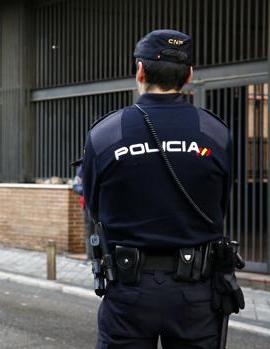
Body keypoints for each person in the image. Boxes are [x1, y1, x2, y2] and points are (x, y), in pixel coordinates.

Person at [82, 30, 244, 348]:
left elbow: (93, 205)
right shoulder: (216, 133)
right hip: (196, 294)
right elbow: (222, 201)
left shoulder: (105, 133)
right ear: (190, 75)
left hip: (128, 290)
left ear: (140, 71)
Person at [72, 164, 93, 260]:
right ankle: (90, 256)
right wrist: (87, 191)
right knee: (89, 231)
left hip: (104, 204)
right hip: (88, 205)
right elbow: (76, 185)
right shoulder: (83, 167)